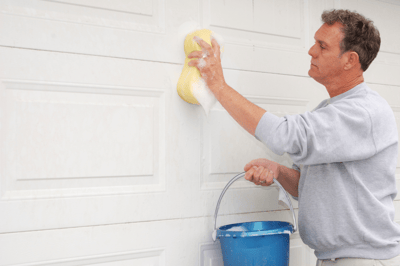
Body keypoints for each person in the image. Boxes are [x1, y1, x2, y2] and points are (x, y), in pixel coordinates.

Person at [188, 9, 400, 265]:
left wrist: (218, 86)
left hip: (361, 260)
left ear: (350, 60)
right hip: (332, 259)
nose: (311, 51)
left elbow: (281, 134)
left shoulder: (363, 112)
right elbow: (305, 186)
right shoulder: (329, 110)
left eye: (322, 46)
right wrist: (278, 171)